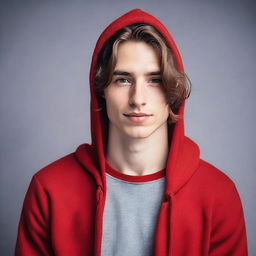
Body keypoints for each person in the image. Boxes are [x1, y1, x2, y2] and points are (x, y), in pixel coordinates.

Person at [15, 8, 248, 256]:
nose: (138, 99)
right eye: (123, 79)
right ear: (101, 89)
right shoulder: (49, 188)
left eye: (155, 80)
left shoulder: (217, 193)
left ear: (174, 91)